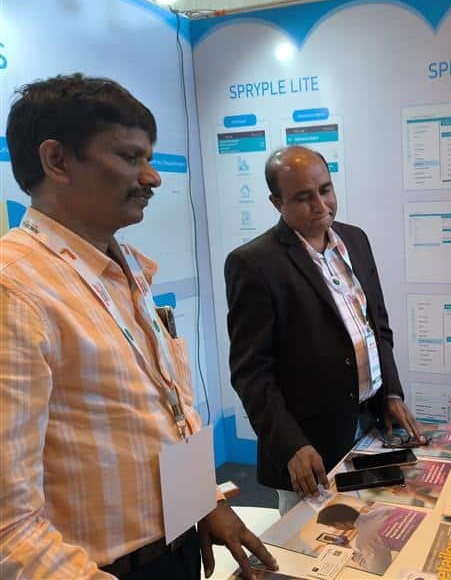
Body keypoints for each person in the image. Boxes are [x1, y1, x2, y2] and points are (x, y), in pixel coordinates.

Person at [0, 74, 277, 580]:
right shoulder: (15, 290)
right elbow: (9, 529)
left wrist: (204, 501)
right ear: (57, 160)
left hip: (177, 543)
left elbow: (162, 413)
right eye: (130, 158)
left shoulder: (123, 265)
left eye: (149, 158)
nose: (152, 177)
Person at [224, 145, 426, 514]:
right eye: (303, 197)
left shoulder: (356, 240)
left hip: (370, 427)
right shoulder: (254, 263)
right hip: (309, 449)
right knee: (315, 540)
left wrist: (392, 393)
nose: (321, 205)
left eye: (325, 190)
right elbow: (251, 373)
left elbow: (377, 327)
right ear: (277, 202)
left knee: (373, 533)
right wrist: (291, 445)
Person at [315, 502, 398, 573]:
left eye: (333, 526)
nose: (336, 528)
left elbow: (379, 570)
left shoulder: (365, 539)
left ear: (339, 524)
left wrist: (351, 552)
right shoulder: (384, 510)